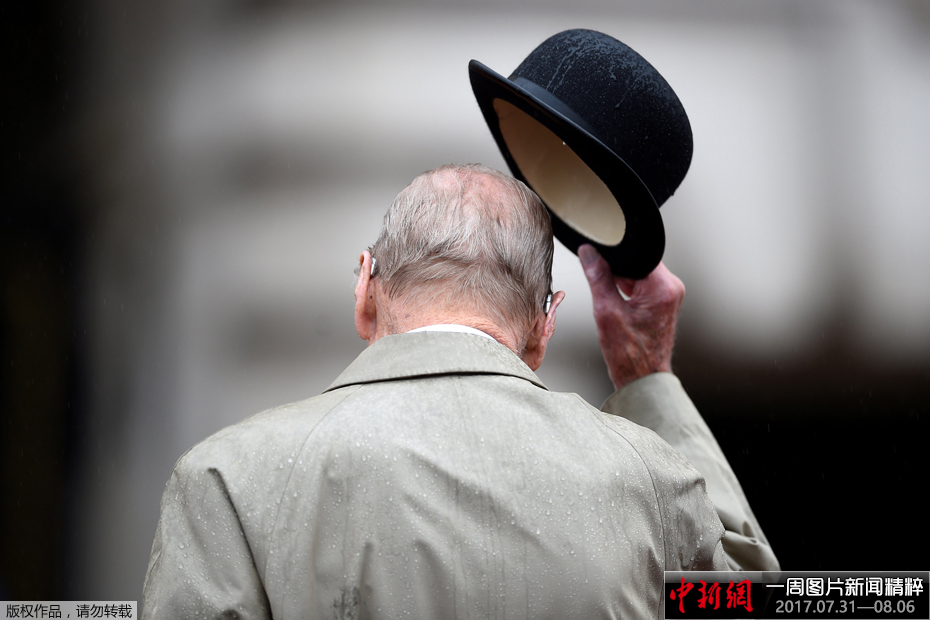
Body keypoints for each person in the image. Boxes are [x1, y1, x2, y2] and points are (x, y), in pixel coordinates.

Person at [141, 163, 778, 619]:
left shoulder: (227, 480)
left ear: (365, 289)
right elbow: (753, 599)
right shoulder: (650, 481)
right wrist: (647, 378)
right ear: (544, 325)